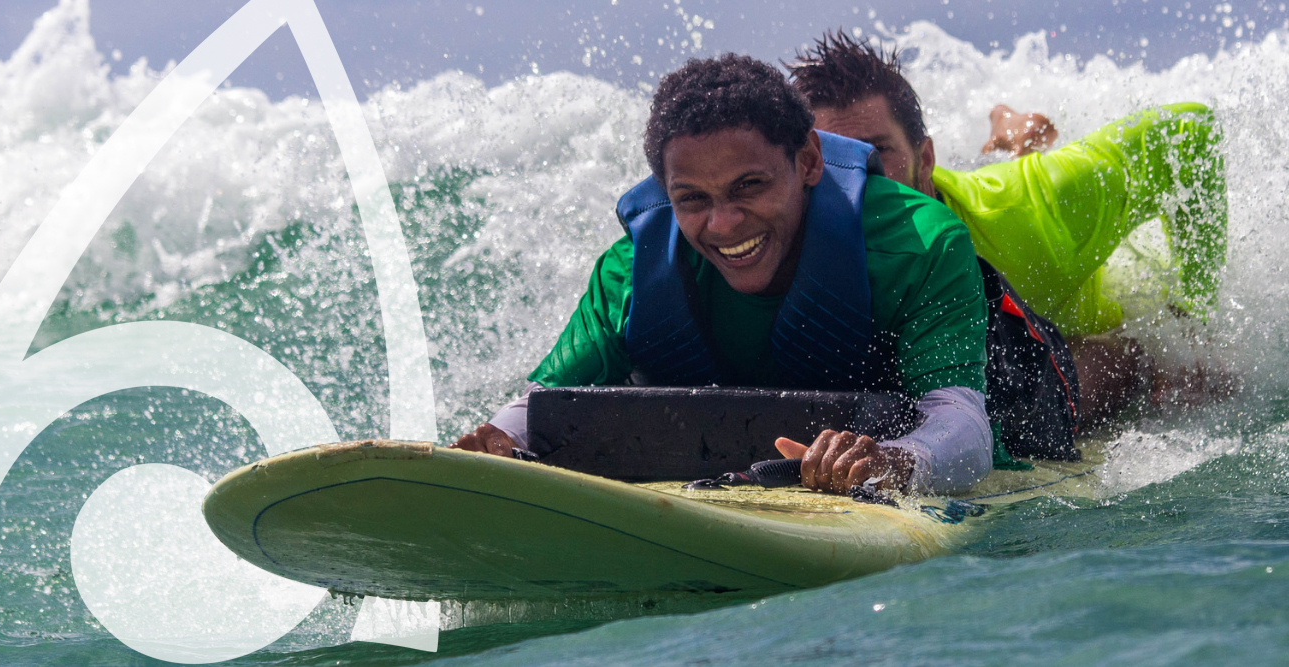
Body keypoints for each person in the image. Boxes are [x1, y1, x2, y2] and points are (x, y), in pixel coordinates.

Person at [455, 54, 1075, 495]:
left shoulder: (920, 242)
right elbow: (538, 406)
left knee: (1095, 389)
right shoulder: (632, 274)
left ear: (808, 161)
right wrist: (495, 445)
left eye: (749, 185)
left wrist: (895, 462)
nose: (723, 224)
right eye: (692, 198)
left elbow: (965, 425)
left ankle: (1015, 144)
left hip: (1002, 377)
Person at [788, 31, 1230, 425]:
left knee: (1044, 393)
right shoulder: (784, 224)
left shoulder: (1032, 212)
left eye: (877, 151)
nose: (859, 176)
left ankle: (1019, 131)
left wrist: (1192, 328)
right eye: (836, 155)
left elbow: (1188, 134)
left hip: (1064, 316)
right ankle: (1013, 128)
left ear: (925, 161)